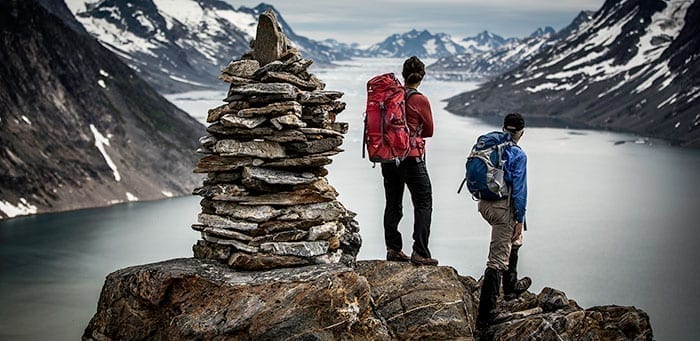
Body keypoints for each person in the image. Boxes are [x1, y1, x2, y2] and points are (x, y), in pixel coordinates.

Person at [475, 113, 532, 329]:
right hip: (501, 209)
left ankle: (510, 287)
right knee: (497, 260)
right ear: (521, 133)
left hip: (484, 204)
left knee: (515, 240)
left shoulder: (491, 145)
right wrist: (519, 218)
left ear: (504, 128)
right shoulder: (518, 154)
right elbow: (519, 190)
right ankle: (486, 314)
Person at [382, 56, 438, 266]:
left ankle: (393, 249)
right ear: (421, 76)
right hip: (411, 158)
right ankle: (420, 252)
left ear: (404, 75)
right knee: (423, 202)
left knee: (393, 202)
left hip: (388, 158)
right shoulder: (419, 99)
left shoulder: (391, 97)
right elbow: (430, 131)